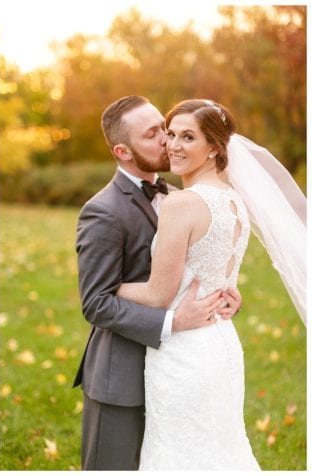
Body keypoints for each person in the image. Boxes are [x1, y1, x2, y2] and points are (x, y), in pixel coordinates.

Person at [115, 99, 306, 469]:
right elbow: (215, 272)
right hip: (221, 345)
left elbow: (158, 295)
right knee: (221, 451)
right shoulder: (234, 201)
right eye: (170, 134)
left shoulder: (182, 204)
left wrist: (108, 287)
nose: (173, 145)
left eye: (188, 137)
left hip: (183, 353)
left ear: (216, 147)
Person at [73, 95, 243, 470]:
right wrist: (173, 322)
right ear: (123, 151)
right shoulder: (103, 211)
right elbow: (96, 303)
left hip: (181, 368)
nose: (167, 142)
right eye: (154, 134)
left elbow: (194, 266)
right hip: (122, 379)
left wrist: (223, 292)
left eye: (165, 130)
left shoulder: (180, 196)